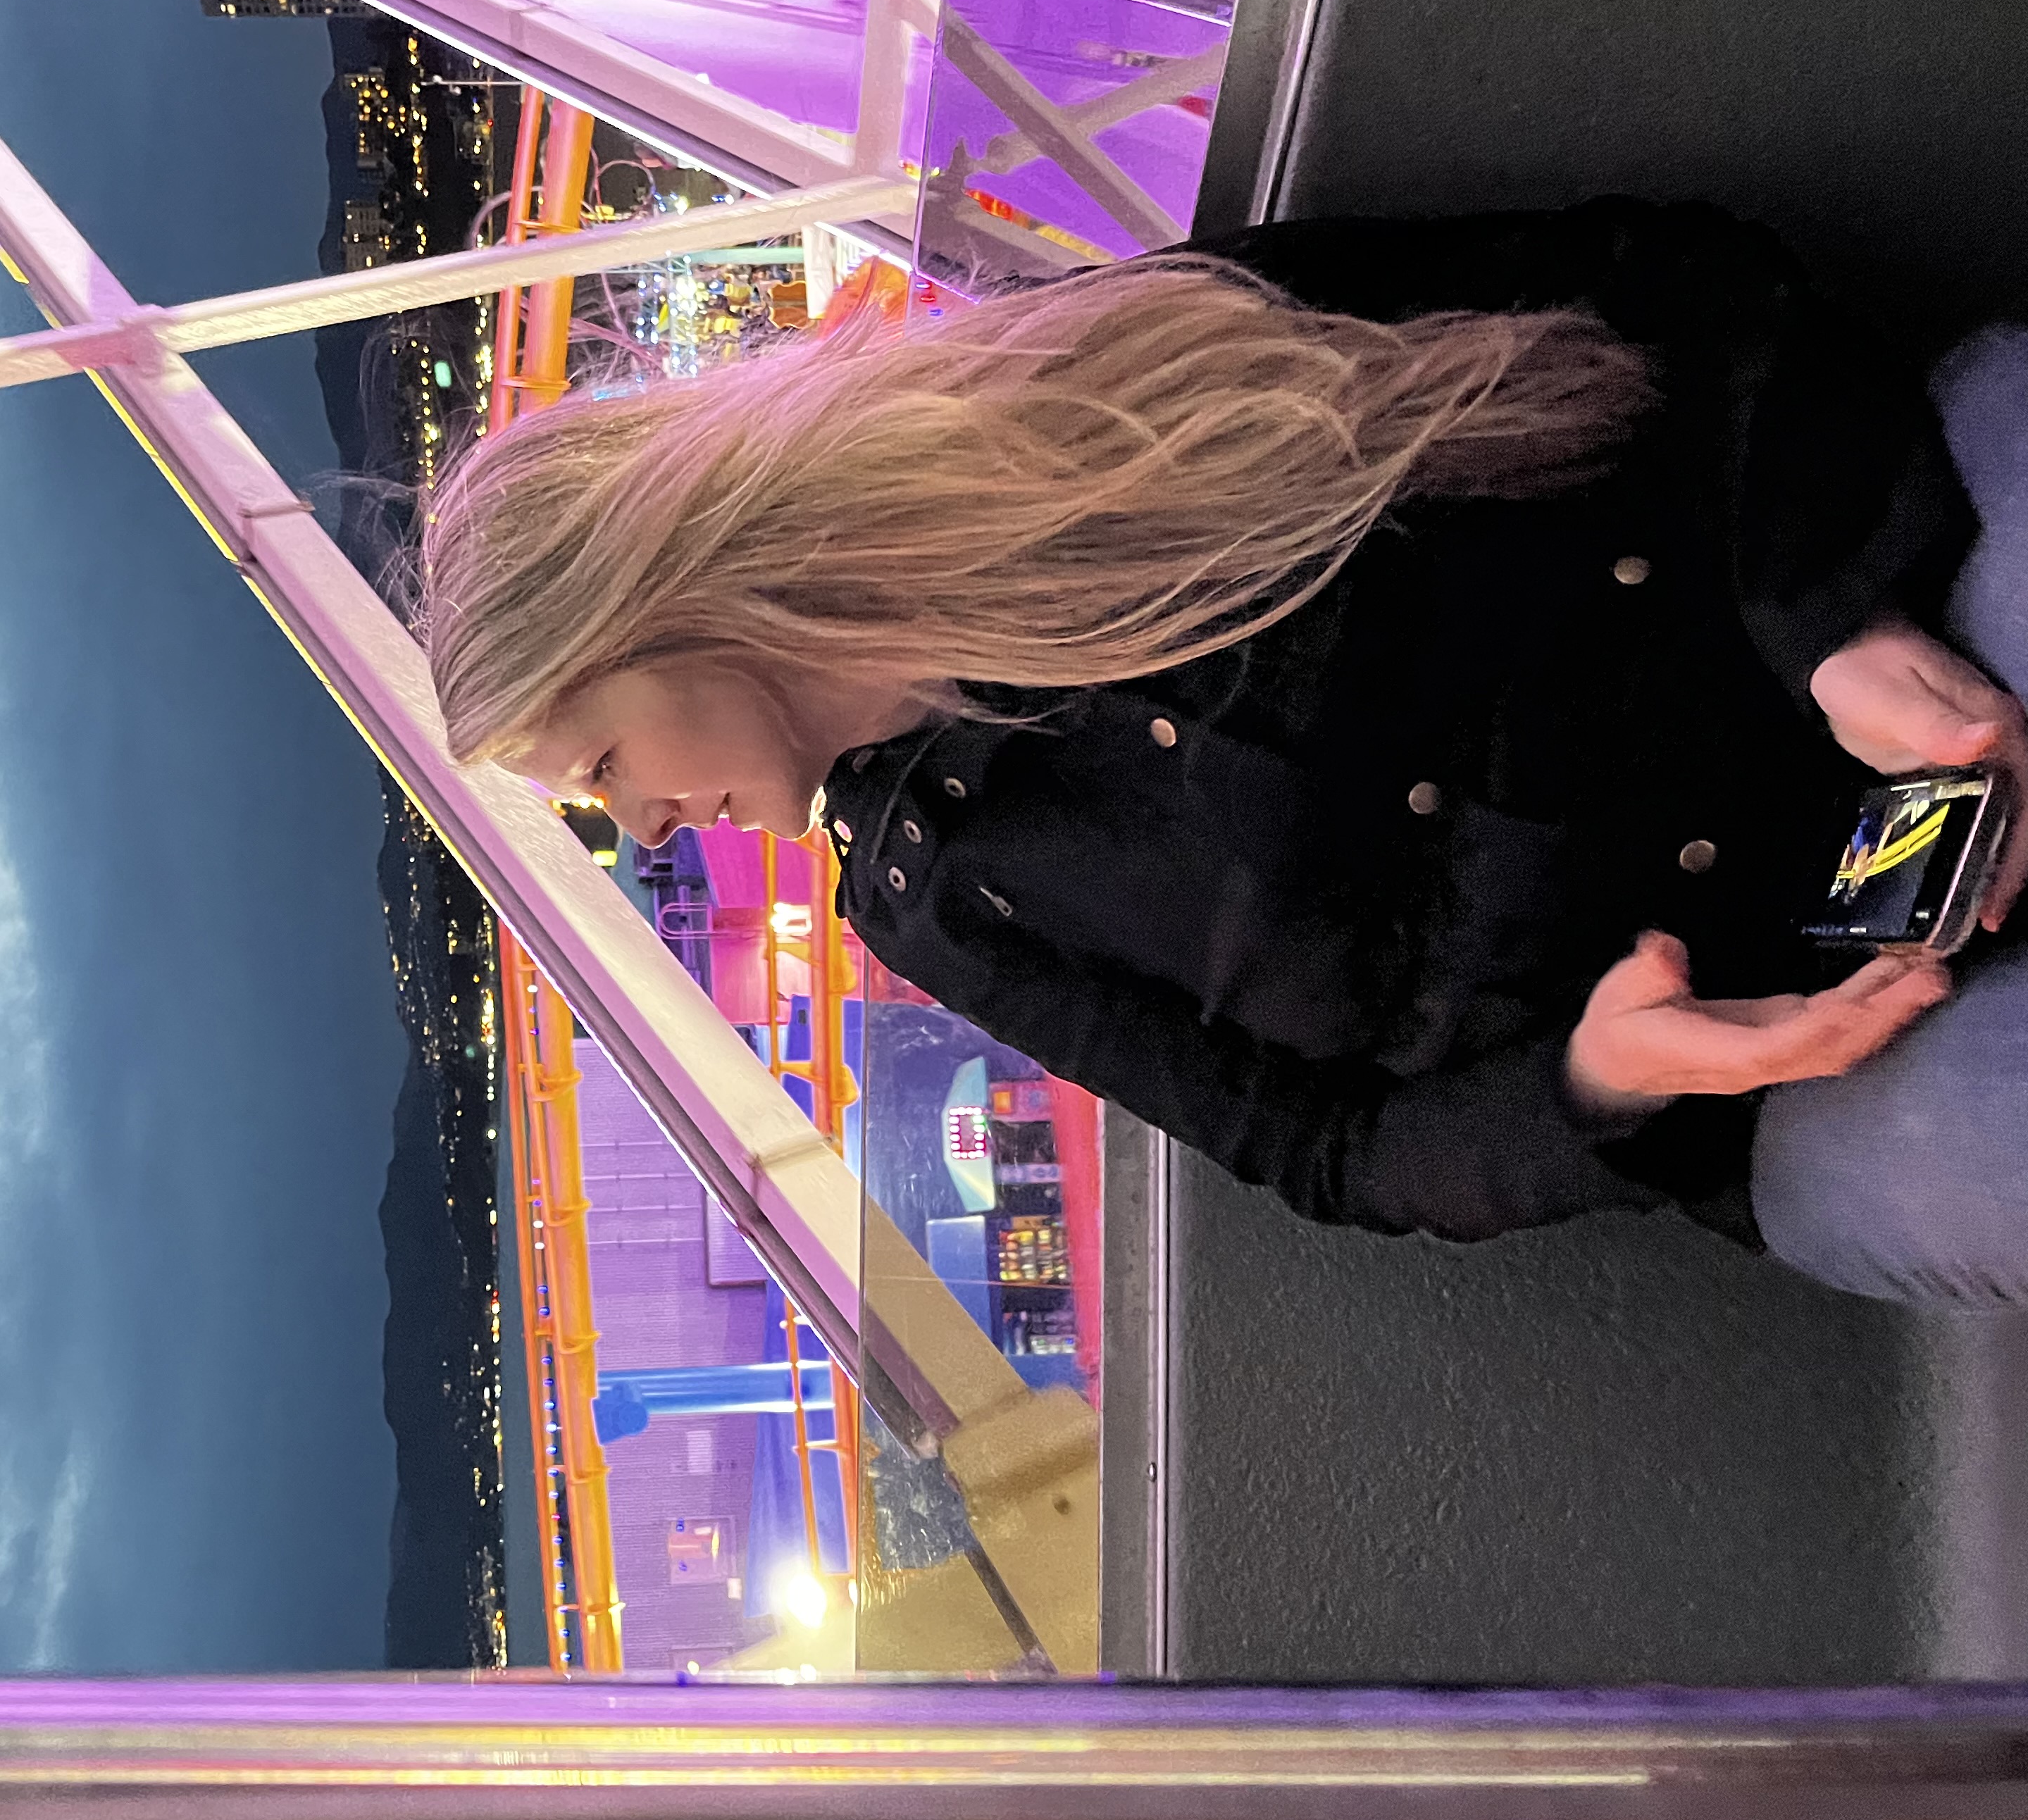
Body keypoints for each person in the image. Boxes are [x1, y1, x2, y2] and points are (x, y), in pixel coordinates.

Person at [413, 199, 2028, 1307]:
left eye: (603, 763)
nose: (644, 829)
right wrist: (1604, 1079)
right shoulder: (931, 911)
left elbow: (1670, 285)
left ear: (658, 594)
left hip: (1858, 601)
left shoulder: (1090, 381)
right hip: (1770, 1053)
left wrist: (1829, 623)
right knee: (1985, 1152)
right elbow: (1314, 1147)